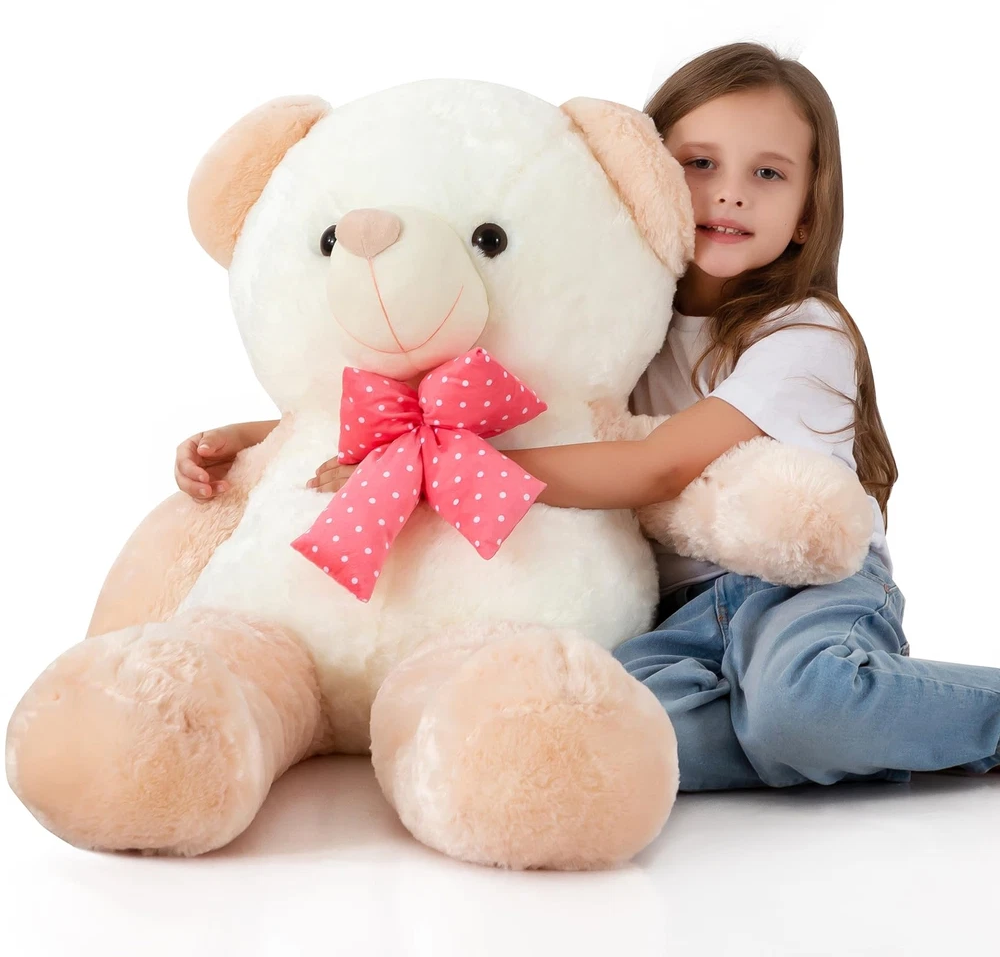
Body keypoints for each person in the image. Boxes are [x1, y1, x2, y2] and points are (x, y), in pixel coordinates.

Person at [175, 42, 1000, 791]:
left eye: (768, 174)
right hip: (683, 614)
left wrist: (454, 475)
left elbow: (657, 465)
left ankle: (850, 719)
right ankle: (801, 734)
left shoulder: (802, 334)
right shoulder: (620, 327)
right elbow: (462, 412)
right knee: (600, 734)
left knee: (802, 699)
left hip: (804, 590)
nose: (729, 192)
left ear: (809, 214)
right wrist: (266, 440)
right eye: (700, 163)